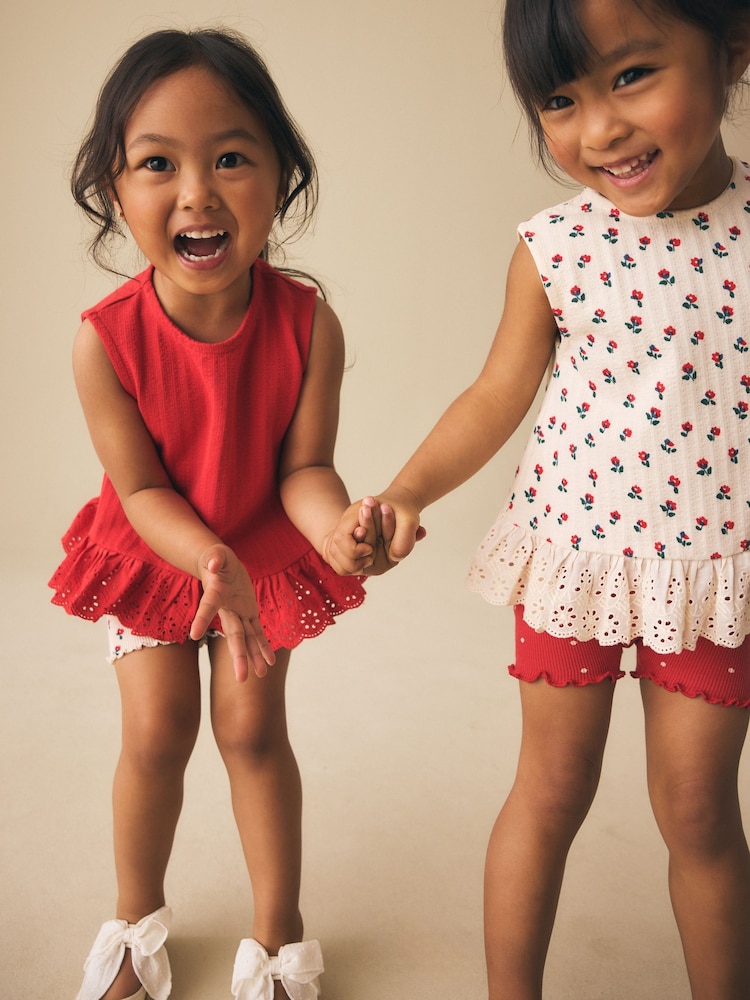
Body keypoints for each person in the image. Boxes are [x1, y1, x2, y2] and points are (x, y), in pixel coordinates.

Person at [327, 0, 750, 996]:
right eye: (560, 99)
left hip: (710, 570)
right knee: (552, 789)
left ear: (733, 52)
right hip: (578, 553)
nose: (597, 129)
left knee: (698, 810)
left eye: (632, 76)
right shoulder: (558, 246)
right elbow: (496, 393)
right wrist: (405, 492)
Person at [49, 27, 390, 1000]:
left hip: (263, 554)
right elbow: (142, 489)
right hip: (156, 551)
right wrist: (206, 557)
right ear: (118, 193)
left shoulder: (306, 322)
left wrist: (338, 528)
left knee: (250, 733)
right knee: (158, 733)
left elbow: (306, 468)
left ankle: (277, 934)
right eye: (158, 163)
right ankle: (134, 919)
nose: (196, 190)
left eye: (230, 157)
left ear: (281, 179)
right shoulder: (103, 342)